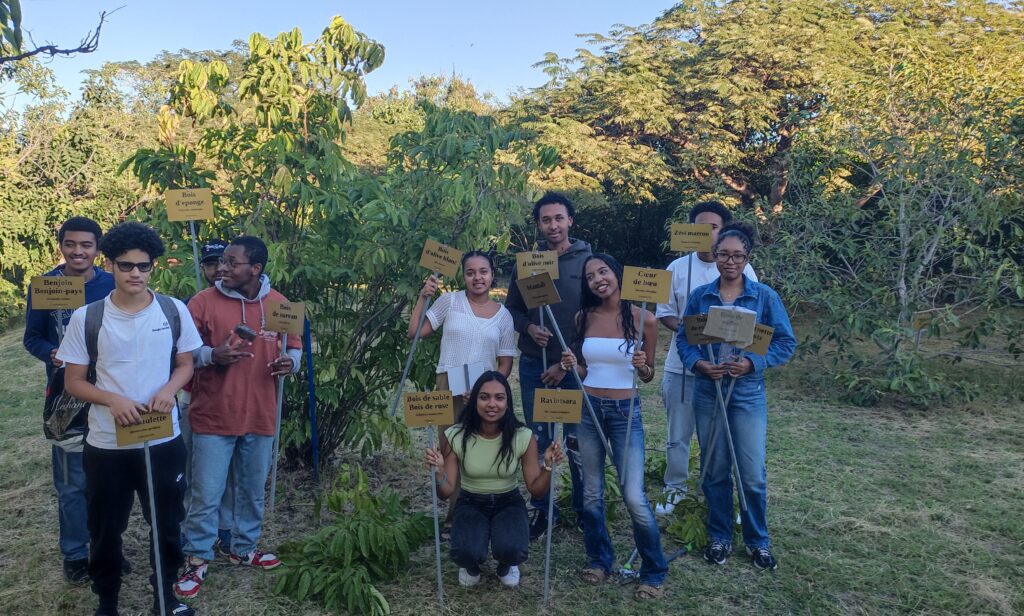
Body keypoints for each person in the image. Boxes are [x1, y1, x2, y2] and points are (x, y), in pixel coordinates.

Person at [57, 222, 203, 616]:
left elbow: (185, 364)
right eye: (126, 265)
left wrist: (169, 389)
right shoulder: (88, 317)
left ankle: (166, 598)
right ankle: (107, 602)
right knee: (105, 529)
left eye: (144, 266)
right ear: (110, 265)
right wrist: (112, 400)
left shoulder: (173, 310)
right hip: (107, 444)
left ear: (153, 266)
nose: (135, 273)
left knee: (167, 524)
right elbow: (74, 381)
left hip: (163, 440)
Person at [175, 236, 302, 599]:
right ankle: (197, 558)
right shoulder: (201, 303)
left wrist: (290, 363)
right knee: (206, 493)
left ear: (255, 269)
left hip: (261, 414)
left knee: (251, 490)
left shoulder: (280, 304)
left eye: (232, 262)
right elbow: (181, 354)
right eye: (222, 262)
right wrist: (212, 355)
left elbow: (294, 346)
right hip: (213, 417)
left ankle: (244, 548)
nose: (222, 268)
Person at [676, 222, 796, 571]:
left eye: (738, 256)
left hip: (746, 394)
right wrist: (699, 364)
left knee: (752, 472)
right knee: (714, 468)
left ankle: (758, 540)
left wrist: (752, 363)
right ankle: (720, 535)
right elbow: (684, 339)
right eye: (724, 255)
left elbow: (785, 342)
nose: (730, 262)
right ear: (714, 256)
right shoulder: (701, 296)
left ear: (747, 258)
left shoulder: (764, 297)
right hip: (708, 392)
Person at [559, 253, 667, 600]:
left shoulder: (645, 319)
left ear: (616, 274)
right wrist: (572, 365)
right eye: (590, 276)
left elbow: (648, 375)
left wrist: (643, 365)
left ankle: (654, 571)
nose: (597, 280)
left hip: (625, 412)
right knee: (591, 492)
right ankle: (599, 559)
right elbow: (585, 370)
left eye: (602, 271)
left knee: (634, 495)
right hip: (588, 409)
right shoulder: (582, 317)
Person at [23, 216, 116, 584]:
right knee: (72, 483)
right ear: (60, 245)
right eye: (70, 244)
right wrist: (51, 352)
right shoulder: (46, 286)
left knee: (110, 479)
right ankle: (76, 553)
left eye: (86, 245)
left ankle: (107, 548)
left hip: (109, 393)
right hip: (65, 399)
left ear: (97, 248)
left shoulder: (112, 283)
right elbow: (32, 337)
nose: (78, 251)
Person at [654, 202, 758, 516]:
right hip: (682, 367)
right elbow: (665, 314)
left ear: (724, 230)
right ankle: (674, 488)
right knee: (678, 435)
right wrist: (694, 333)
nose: (706, 233)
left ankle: (717, 493)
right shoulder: (676, 268)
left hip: (724, 370)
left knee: (722, 438)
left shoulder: (741, 268)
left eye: (713, 227)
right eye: (699, 226)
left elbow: (752, 317)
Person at [424, 371, 565, 588]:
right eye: (484, 397)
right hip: (470, 501)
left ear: (508, 402)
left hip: (508, 501)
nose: (492, 404)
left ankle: (506, 565)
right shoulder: (455, 435)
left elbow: (536, 490)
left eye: (499, 398)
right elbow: (445, 492)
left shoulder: (523, 436)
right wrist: (439, 473)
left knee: (513, 549)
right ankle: (470, 565)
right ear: (474, 401)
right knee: (465, 552)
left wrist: (547, 466)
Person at [503, 191, 590, 540]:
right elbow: (512, 308)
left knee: (576, 442)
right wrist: (529, 328)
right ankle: (542, 509)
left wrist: (567, 363)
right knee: (539, 440)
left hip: (574, 369)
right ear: (538, 225)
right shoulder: (527, 263)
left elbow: (598, 317)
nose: (553, 225)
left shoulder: (588, 263)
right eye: (545, 220)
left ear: (570, 220)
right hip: (534, 367)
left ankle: (584, 509)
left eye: (558, 218)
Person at [409, 250, 516, 532]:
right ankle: (454, 518)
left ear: (492, 275)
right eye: (470, 272)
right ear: (463, 276)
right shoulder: (450, 301)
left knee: (479, 450)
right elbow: (415, 332)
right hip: (449, 383)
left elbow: (506, 362)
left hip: (485, 391)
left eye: (483, 272)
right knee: (449, 450)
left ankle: (478, 514)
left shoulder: (504, 316)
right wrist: (423, 296)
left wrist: (486, 389)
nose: (477, 277)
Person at [177, 239, 234, 554]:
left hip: (230, 399)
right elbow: (181, 353)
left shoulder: (245, 301)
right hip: (193, 397)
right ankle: (189, 529)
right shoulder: (191, 304)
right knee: (191, 468)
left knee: (228, 472)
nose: (218, 269)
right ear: (203, 268)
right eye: (211, 264)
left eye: (223, 262)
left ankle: (225, 528)